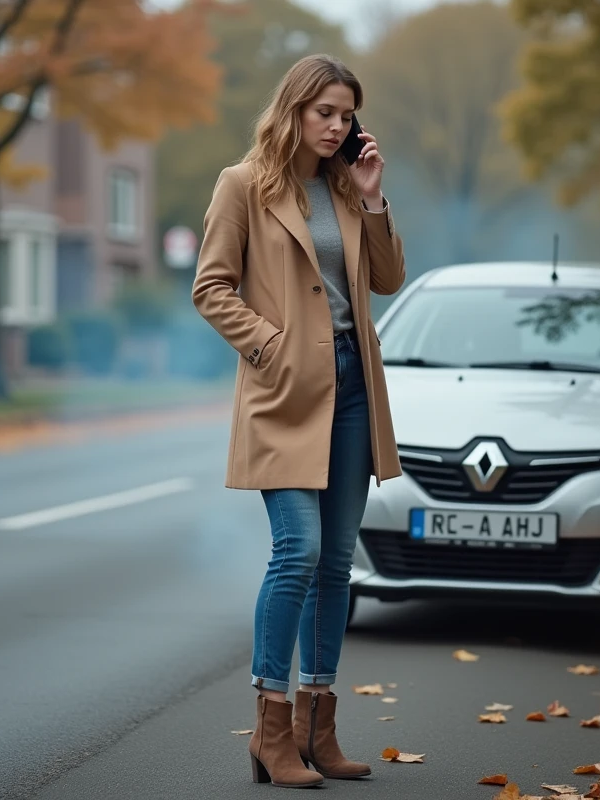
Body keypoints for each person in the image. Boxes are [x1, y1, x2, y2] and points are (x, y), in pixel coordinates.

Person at [191, 53, 406, 788]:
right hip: (284, 391)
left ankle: (319, 723)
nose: (338, 125)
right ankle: (270, 723)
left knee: (337, 561)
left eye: (347, 115)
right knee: (299, 551)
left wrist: (375, 200)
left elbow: (387, 279)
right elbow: (210, 287)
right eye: (326, 112)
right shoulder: (244, 185)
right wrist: (269, 343)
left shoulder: (348, 188)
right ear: (294, 108)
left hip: (352, 388)